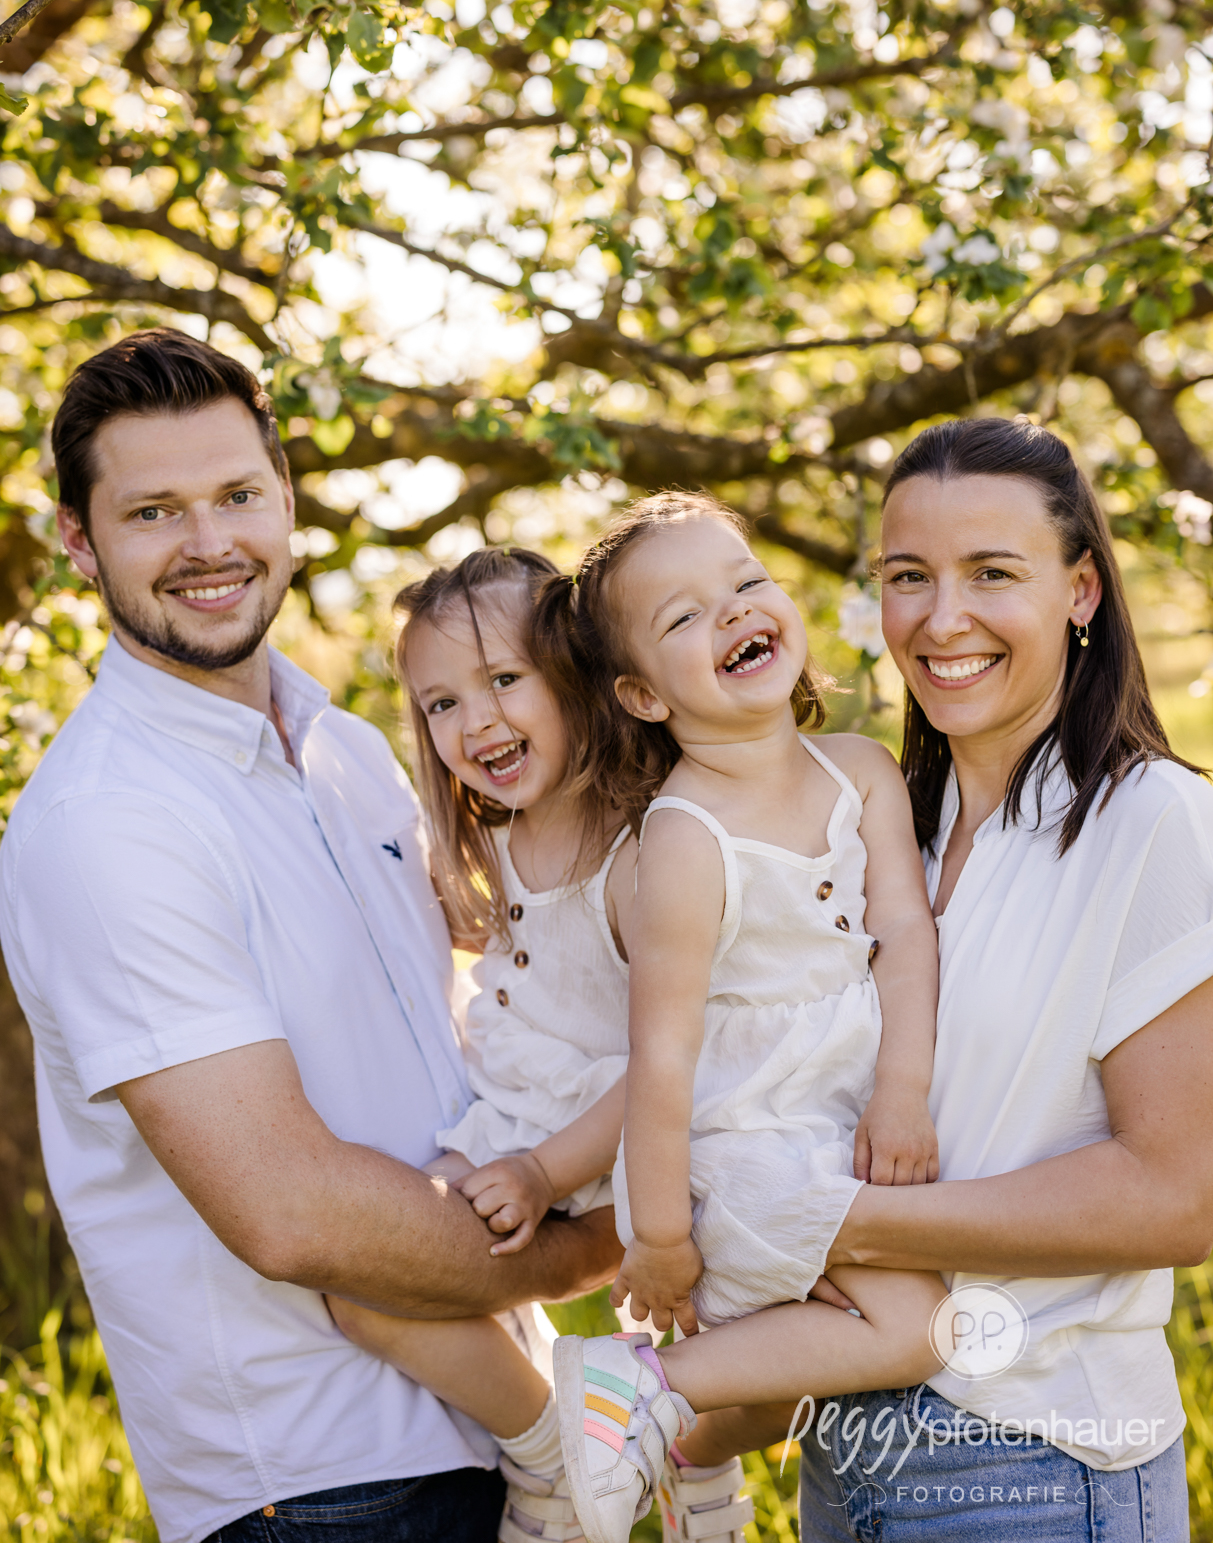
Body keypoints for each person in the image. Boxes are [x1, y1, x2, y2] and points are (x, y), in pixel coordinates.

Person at [0, 329, 618, 1543]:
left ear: (285, 498)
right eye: (153, 513)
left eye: (236, 494)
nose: (208, 543)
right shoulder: (107, 822)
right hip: (321, 1484)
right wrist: (602, 1243)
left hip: (495, 1425)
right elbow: (291, 1213)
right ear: (79, 541)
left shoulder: (351, 751)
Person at [784, 416, 1212, 1540]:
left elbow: (1175, 1195)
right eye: (907, 577)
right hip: (843, 1444)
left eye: (991, 573)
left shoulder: (1150, 823)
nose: (941, 619)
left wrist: (846, 1226)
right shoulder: (877, 837)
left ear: (1080, 592)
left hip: (1036, 1459)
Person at [550, 492, 948, 1543]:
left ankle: (690, 1465)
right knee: (914, 1328)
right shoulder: (685, 836)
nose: (729, 613)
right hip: (747, 1141)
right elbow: (662, 1053)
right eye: (682, 617)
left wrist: (902, 1092)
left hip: (846, 1116)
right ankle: (638, 1382)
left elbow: (906, 937)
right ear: (642, 694)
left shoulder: (858, 770)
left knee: (788, 1377)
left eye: (744, 584)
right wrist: (659, 1237)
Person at [328, 545, 639, 1541]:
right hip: (517, 1126)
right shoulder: (488, 849)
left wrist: (548, 1173)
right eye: (441, 703)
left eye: (505, 679)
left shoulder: (645, 846)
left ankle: (642, 1475)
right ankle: (550, 1449)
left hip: (620, 1133)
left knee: (691, 1354)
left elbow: (682, 1062)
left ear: (579, 671)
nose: (477, 722)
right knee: (365, 1284)